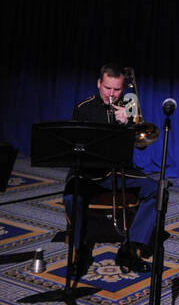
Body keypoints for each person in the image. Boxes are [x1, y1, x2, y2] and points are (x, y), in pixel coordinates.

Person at [68, 64, 161, 276]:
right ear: (99, 83)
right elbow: (76, 146)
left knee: (157, 190)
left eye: (117, 90)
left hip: (120, 170)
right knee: (70, 197)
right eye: (107, 88)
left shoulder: (130, 103)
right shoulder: (85, 108)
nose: (111, 94)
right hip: (91, 172)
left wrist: (127, 123)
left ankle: (131, 248)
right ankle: (80, 250)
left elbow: (142, 144)